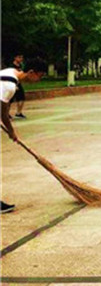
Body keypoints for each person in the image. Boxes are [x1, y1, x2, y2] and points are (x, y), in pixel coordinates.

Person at [1, 58, 47, 213]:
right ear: (31, 72)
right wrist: (12, 132)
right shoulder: (9, 85)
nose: (39, 80)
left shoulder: (9, 72)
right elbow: (3, 113)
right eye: (40, 76)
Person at [9, 54, 26, 119]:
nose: (21, 59)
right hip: (12, 83)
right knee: (9, 99)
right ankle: (6, 113)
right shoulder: (11, 66)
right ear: (15, 58)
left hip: (18, 83)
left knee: (21, 98)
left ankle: (19, 113)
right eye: (19, 57)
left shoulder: (21, 65)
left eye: (22, 57)